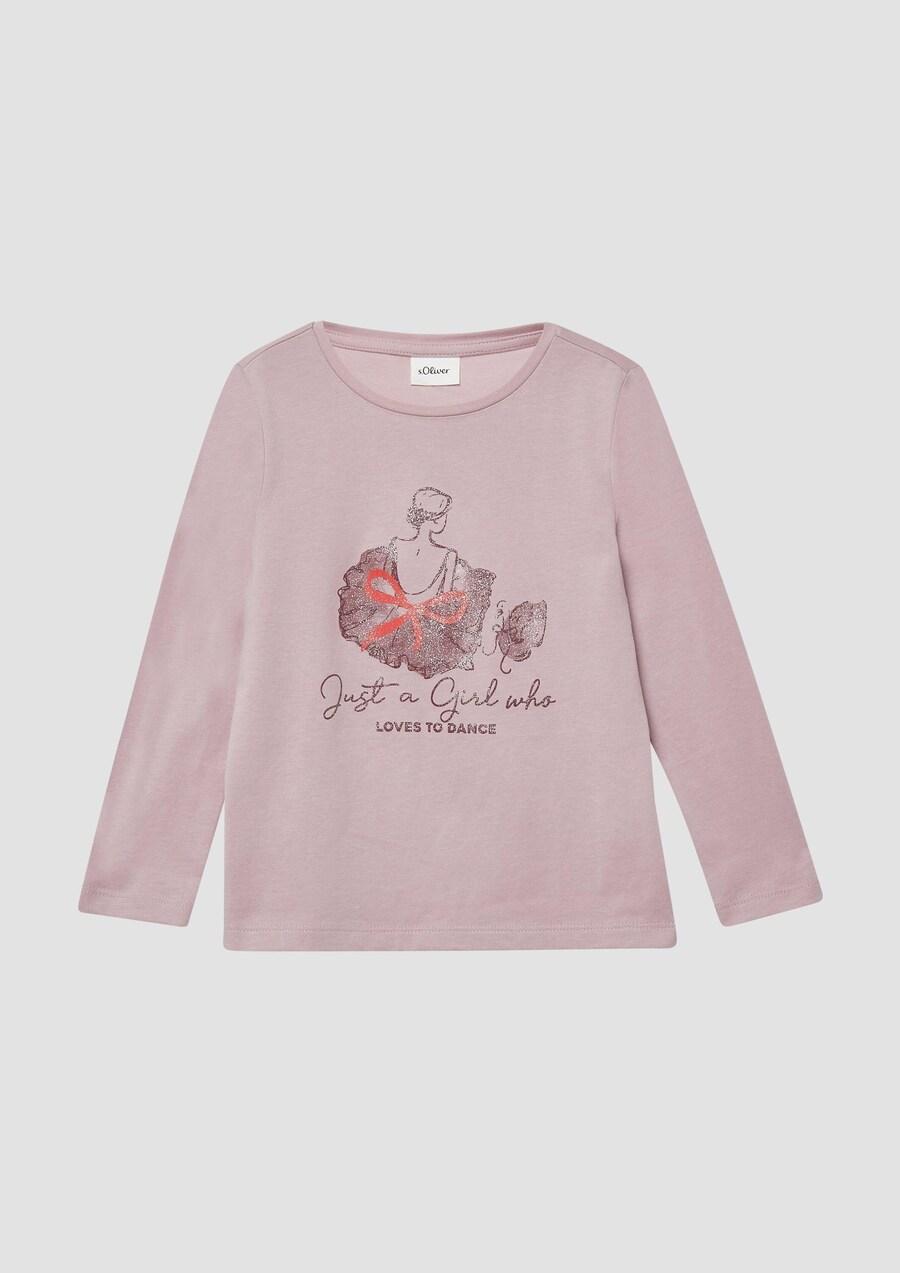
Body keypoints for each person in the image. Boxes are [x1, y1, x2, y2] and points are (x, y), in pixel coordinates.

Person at [338, 487, 495, 679]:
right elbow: (444, 601)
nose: (445, 520)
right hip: (424, 627)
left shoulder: (396, 545)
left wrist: (404, 605)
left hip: (394, 617)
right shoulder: (448, 555)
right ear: (436, 519)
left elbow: (385, 586)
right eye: (444, 516)